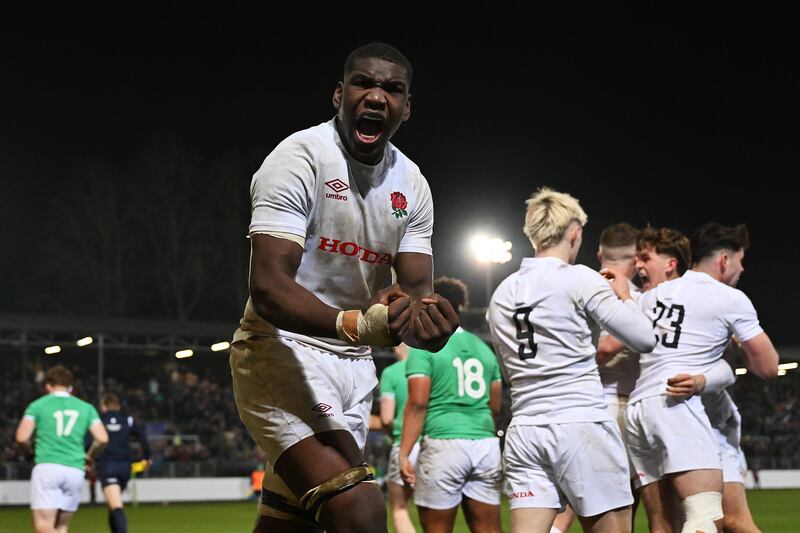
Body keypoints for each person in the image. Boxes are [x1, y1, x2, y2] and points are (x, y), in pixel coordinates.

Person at [228, 41, 460, 533]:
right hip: (280, 351)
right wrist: (352, 322)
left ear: (406, 108)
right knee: (358, 508)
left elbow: (416, 296)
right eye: (364, 83)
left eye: (392, 89)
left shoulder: (412, 183)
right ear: (339, 95)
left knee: (291, 522)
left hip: (354, 365)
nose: (377, 96)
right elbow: (268, 285)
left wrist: (430, 328)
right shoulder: (299, 157)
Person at [487, 187, 656, 533]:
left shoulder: (501, 292)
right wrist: (624, 296)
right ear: (575, 232)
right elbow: (644, 338)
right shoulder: (580, 278)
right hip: (581, 423)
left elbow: (508, 368)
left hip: (525, 429)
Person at [625, 222, 779, 533]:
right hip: (679, 407)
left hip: (638, 409)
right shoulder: (729, 298)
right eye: (739, 259)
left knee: (662, 523)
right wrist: (739, 342)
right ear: (724, 259)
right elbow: (769, 367)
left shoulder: (650, 297)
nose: (741, 268)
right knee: (705, 518)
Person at [399, 276, 503, 533]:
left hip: (444, 444)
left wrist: (404, 452)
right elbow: (495, 405)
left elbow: (418, 404)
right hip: (485, 444)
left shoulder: (426, 346)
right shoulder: (483, 348)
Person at [15, 365, 109, 533]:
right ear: (71, 387)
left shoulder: (37, 406)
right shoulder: (86, 408)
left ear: (48, 386)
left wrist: (30, 455)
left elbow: (21, 438)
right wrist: (89, 457)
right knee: (61, 527)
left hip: (48, 467)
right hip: (75, 470)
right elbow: (102, 439)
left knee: (44, 527)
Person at [92, 392, 151, 533]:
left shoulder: (99, 421)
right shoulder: (127, 420)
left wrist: (90, 458)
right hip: (125, 468)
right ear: (118, 407)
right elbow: (143, 438)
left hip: (108, 466)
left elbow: (89, 442)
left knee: (116, 506)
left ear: (103, 407)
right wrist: (146, 458)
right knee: (113, 505)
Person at [379, 342, 418, 533]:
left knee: (399, 508)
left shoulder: (392, 373)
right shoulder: (429, 368)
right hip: (433, 444)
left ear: (398, 348)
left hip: (405, 445)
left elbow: (386, 418)